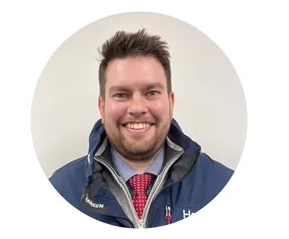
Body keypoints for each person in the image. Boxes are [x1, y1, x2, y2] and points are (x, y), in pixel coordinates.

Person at [49, 29, 234, 228]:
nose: (137, 108)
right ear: (102, 107)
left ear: (171, 103)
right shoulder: (60, 192)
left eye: (151, 92)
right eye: (121, 94)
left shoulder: (223, 187)